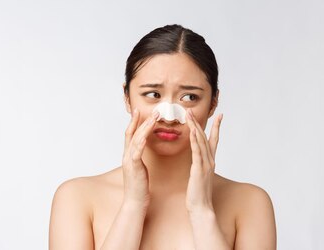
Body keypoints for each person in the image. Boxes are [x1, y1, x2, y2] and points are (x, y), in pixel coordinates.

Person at [49, 24, 276, 250]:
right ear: (127, 98)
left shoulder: (250, 204)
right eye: (153, 94)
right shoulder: (77, 199)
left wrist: (202, 211)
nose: (169, 116)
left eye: (189, 97)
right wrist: (133, 205)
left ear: (213, 103)